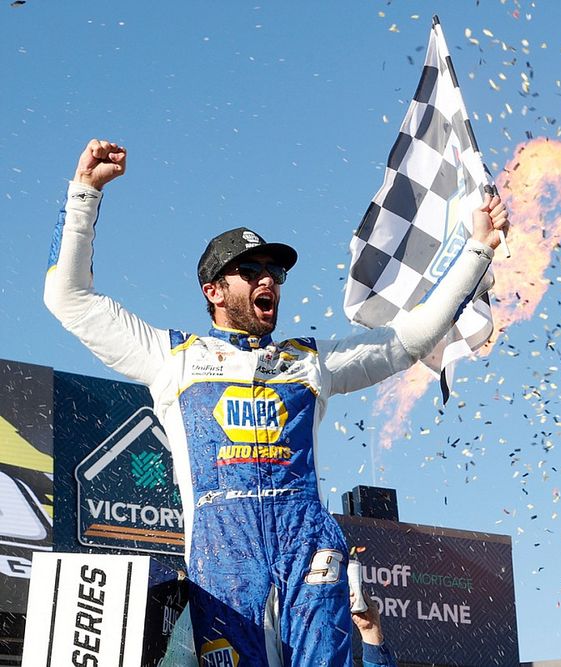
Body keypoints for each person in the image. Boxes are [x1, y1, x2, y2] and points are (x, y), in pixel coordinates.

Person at [45, 139, 509, 666]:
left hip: (307, 546)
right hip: (221, 554)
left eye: (276, 273)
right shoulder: (170, 356)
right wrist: (84, 194)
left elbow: (411, 339)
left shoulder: (310, 360)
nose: (269, 280)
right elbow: (69, 298)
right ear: (213, 291)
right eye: (251, 271)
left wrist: (479, 249)